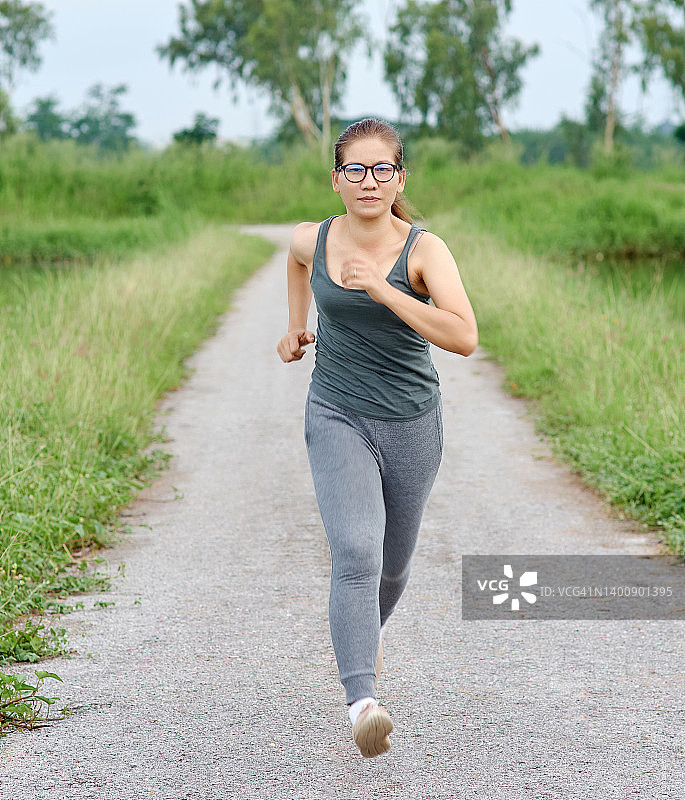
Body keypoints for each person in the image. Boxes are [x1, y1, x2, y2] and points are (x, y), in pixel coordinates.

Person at [276, 118, 478, 758]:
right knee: (356, 554)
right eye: (355, 170)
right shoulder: (315, 238)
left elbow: (464, 337)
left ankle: (360, 635)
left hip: (411, 420)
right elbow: (295, 259)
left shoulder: (423, 250)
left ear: (400, 177)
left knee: (391, 569)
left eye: (382, 169)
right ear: (336, 179)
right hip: (336, 411)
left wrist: (385, 293)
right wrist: (294, 325)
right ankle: (363, 701)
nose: (369, 181)